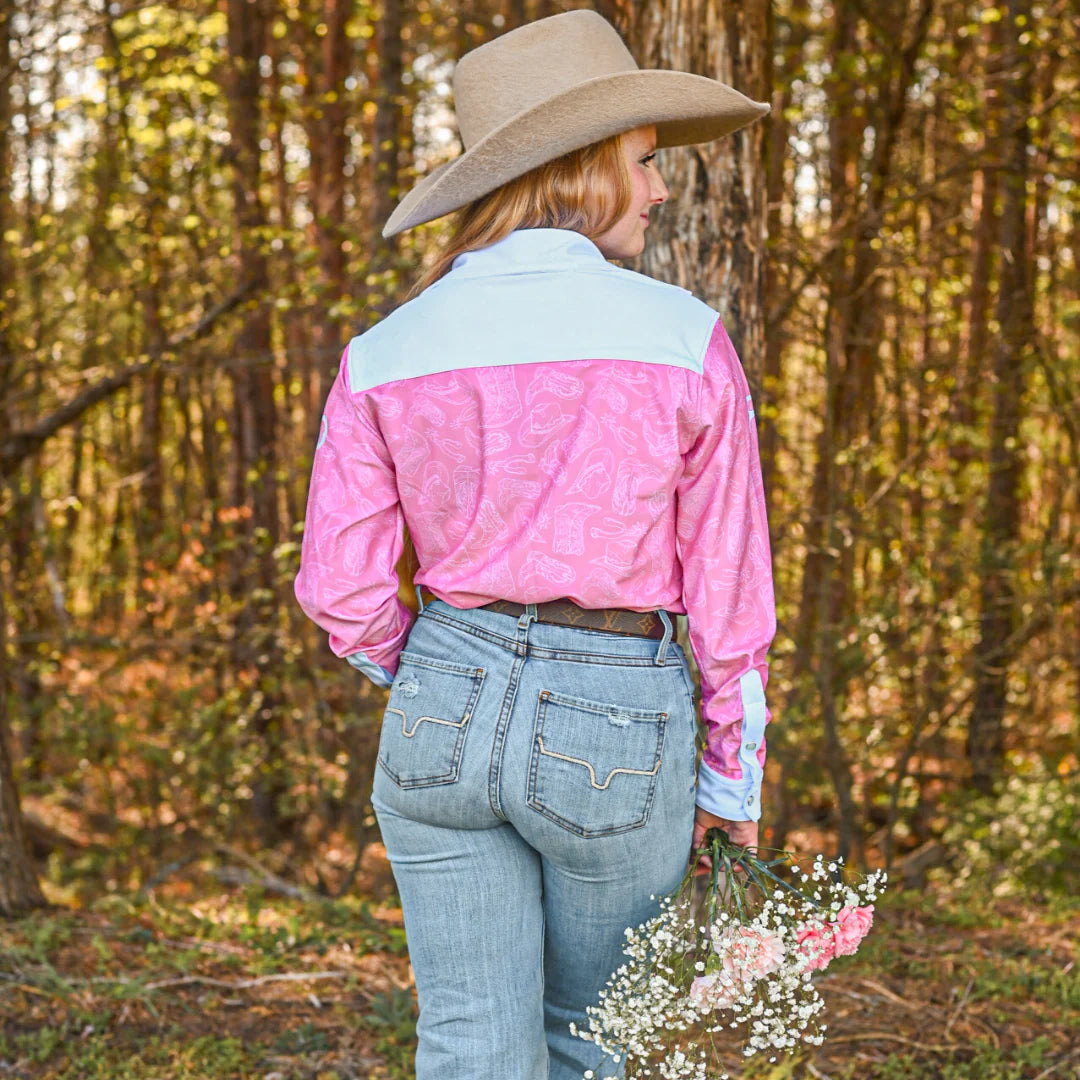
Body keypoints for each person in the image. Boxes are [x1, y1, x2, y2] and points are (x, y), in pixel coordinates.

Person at [294, 10, 775, 1080]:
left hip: (440, 700)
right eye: (646, 163)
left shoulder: (385, 351)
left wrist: (432, 673)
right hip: (615, 718)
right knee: (597, 1042)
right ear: (584, 164)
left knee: (467, 1040)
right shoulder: (680, 339)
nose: (659, 191)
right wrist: (732, 782)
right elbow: (731, 591)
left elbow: (340, 589)